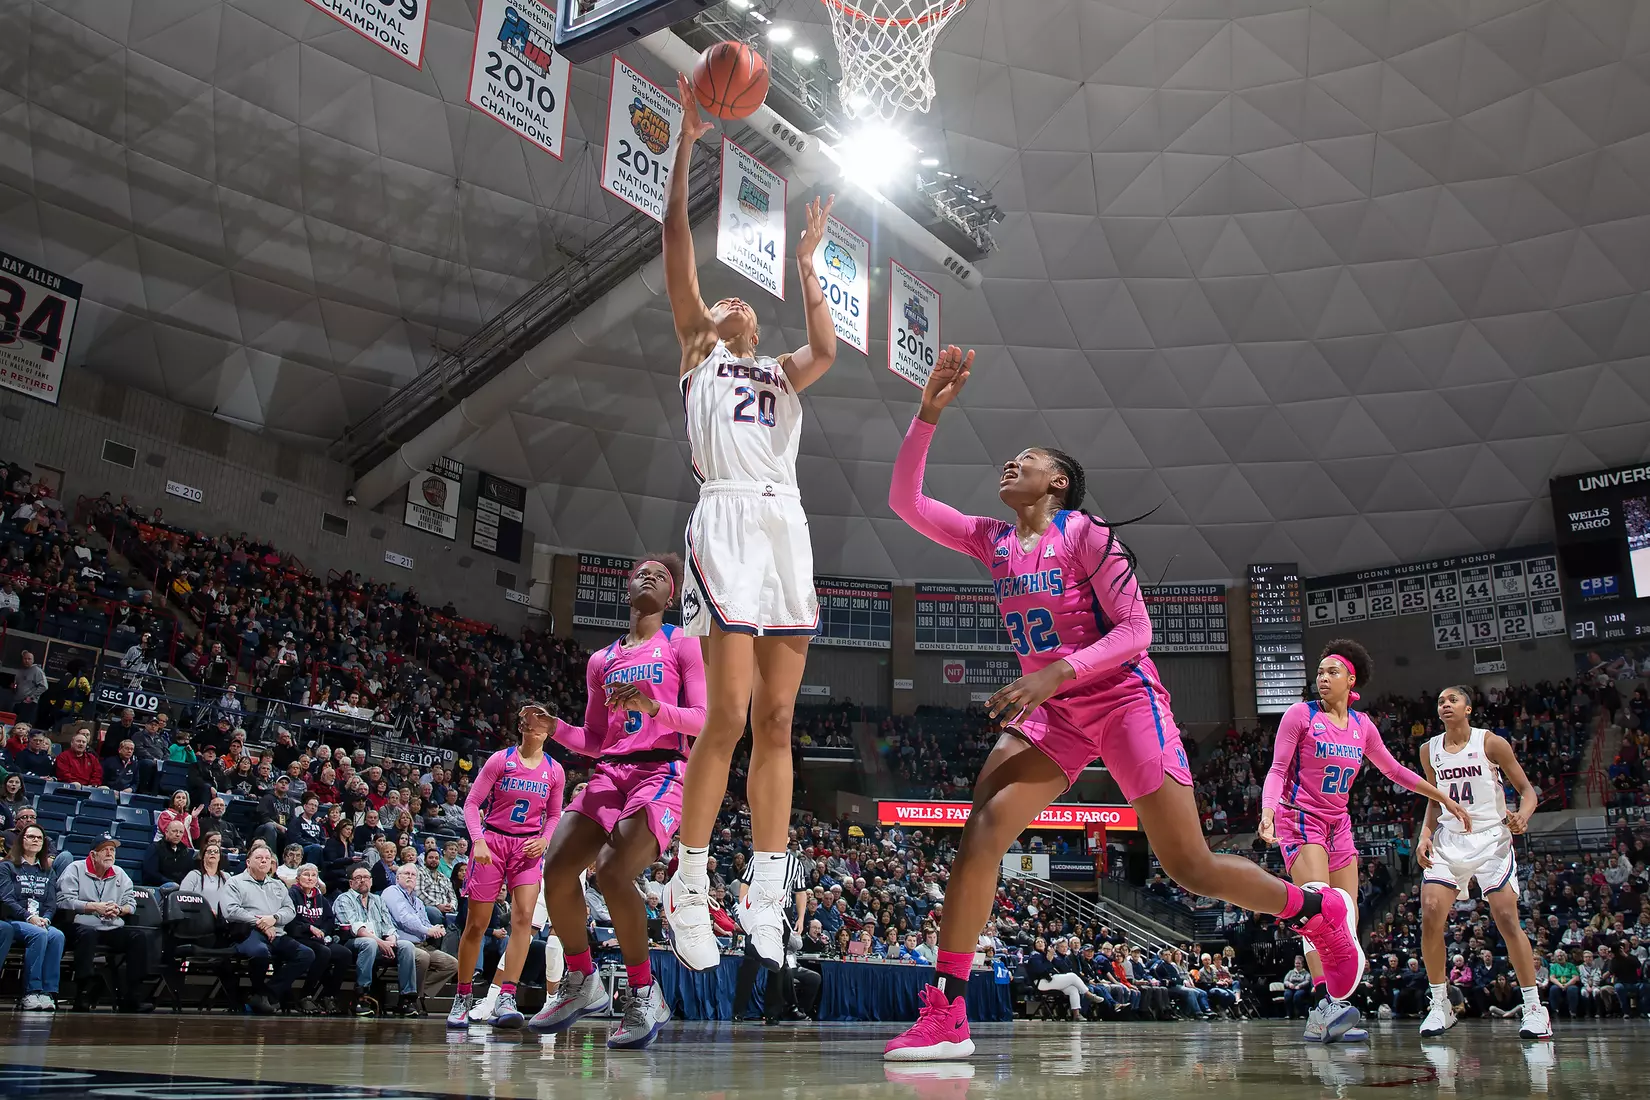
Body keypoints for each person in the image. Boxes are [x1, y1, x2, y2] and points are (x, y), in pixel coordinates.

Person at [879, 347, 1365, 1061]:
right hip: (1055, 716)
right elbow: (905, 504)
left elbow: (1138, 632)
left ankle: (1315, 910)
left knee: (1189, 866)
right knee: (981, 831)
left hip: (1123, 700)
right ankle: (948, 1013)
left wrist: (1053, 675)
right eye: (1009, 459)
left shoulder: (1088, 535)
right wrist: (926, 416)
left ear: (1060, 480)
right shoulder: (994, 540)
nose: (1010, 466)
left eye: (1027, 459)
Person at [656, 71, 839, 984]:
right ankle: (687, 882)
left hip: (786, 529)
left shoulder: (777, 373)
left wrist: (808, 270)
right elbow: (677, 251)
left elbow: (828, 348)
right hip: (725, 518)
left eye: (747, 305)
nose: (736, 304)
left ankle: (766, 890)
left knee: (777, 719)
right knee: (723, 717)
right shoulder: (699, 351)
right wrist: (687, 141)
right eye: (729, 305)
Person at [533, 556, 705, 1048]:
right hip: (611, 770)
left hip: (664, 769)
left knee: (611, 871)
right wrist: (554, 729)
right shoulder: (601, 660)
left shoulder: (681, 643)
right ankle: (581, 979)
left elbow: (705, 719)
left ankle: (643, 991)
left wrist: (653, 707)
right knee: (558, 867)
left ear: (671, 596)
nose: (648, 577)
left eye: (660, 576)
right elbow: (592, 736)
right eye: (640, 573)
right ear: (627, 588)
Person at [1259, 641, 1469, 1043]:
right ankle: (1323, 1007)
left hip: (1338, 823)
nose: (1322, 678)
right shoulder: (1300, 715)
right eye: (1319, 672)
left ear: (1351, 679)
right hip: (1299, 818)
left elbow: (1393, 770)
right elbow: (1276, 769)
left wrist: (1439, 795)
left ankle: (1337, 1006)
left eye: (1331, 672)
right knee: (1319, 909)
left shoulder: (1363, 726)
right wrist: (1268, 810)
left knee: (1348, 920)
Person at [1417, 685, 1547, 1040]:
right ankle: (1440, 1004)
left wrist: (1522, 815)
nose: (1445, 704)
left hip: (1491, 836)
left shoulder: (1491, 743)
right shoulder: (1429, 751)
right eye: (1440, 700)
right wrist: (1424, 835)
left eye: (1452, 700)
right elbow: (1433, 799)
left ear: (1469, 708)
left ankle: (1535, 1008)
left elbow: (1528, 792)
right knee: (1430, 913)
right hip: (1449, 838)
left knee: (1506, 919)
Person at [446, 704, 565, 1030]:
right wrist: (478, 840)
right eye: (531, 723)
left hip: (527, 847)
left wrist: (545, 839)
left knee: (524, 917)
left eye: (542, 725)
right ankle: (463, 995)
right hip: (492, 844)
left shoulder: (555, 771)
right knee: (476, 926)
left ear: (548, 732)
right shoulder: (501, 760)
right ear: (522, 727)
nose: (536, 729)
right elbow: (471, 804)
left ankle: (507, 995)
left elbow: (554, 815)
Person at [57, 833, 154, 1012]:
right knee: (88, 934)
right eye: (105, 850)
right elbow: (64, 901)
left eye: (112, 850)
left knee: (138, 937)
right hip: (81, 925)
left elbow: (131, 904)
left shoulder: (120, 874)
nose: (110, 854)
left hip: (110, 926)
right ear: (93, 855)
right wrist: (93, 907)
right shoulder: (75, 868)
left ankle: (132, 996)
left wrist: (119, 909)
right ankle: (83, 993)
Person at [223, 845, 314, 1014]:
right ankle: (259, 995)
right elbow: (231, 910)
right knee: (260, 952)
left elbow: (290, 910)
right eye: (259, 858)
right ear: (248, 862)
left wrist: (274, 919)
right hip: (248, 932)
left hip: (276, 932)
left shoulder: (278, 885)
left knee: (306, 954)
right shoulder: (234, 882)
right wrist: (261, 923)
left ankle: (265, 994)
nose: (264, 860)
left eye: (267, 858)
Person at [334, 864, 418, 1017]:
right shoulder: (344, 899)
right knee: (369, 943)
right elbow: (356, 928)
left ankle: (406, 998)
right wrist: (382, 943)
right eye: (357, 878)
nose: (362, 881)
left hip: (380, 944)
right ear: (351, 883)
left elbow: (388, 926)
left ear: (371, 881)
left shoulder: (378, 900)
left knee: (406, 946)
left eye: (366, 877)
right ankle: (361, 995)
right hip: (353, 943)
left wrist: (391, 940)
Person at [0, 824, 64, 1010]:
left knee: (57, 935)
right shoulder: (8, 866)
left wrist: (47, 919)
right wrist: (29, 918)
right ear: (22, 840)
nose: (36, 840)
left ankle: (48, 992)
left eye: (39, 838)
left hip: (40, 921)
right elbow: (6, 899)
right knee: (39, 934)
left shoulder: (47, 871)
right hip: (15, 920)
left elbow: (51, 903)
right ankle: (31, 991)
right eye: (31, 837)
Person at [384, 862, 458, 1014]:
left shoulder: (417, 901)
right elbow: (404, 919)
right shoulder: (392, 892)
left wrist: (436, 929)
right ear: (398, 878)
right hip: (402, 944)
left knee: (451, 964)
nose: (410, 877)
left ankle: (418, 994)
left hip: (422, 943)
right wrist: (428, 930)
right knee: (423, 958)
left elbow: (424, 922)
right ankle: (410, 999)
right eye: (407, 874)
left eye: (413, 875)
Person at [287, 863, 352, 1015]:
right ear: (298, 878)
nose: (310, 878)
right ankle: (306, 995)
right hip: (299, 937)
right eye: (306, 874)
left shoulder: (320, 897)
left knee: (345, 954)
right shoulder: (292, 894)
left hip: (319, 938)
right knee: (323, 952)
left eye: (313, 875)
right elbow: (290, 920)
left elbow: (329, 920)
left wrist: (323, 931)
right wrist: (308, 928)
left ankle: (328, 995)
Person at [179, 839, 230, 914]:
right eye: (209, 851)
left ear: (220, 857)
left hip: (222, 918)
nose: (212, 853)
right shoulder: (194, 875)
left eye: (216, 852)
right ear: (203, 857)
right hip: (198, 916)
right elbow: (183, 898)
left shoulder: (226, 877)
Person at [142, 819, 196, 888]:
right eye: (174, 831)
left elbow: (190, 874)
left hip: (181, 888)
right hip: (159, 886)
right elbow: (150, 873)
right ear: (166, 832)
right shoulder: (155, 848)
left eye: (181, 832)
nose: (178, 835)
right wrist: (169, 882)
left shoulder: (185, 851)